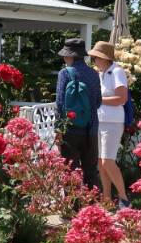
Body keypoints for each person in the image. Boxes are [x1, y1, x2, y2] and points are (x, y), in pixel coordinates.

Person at [55, 38, 101, 190]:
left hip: (70, 130)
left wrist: (58, 129)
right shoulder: (94, 74)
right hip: (91, 129)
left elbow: (60, 103)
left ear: (70, 56)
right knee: (91, 172)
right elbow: (98, 102)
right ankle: (91, 211)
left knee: (70, 171)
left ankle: (72, 211)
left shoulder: (64, 73)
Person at [88, 41, 130, 208]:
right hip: (101, 122)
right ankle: (107, 200)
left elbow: (122, 98)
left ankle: (124, 199)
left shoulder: (116, 72)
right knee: (100, 162)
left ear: (104, 58)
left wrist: (97, 100)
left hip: (113, 122)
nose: (94, 61)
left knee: (107, 161)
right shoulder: (102, 73)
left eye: (96, 58)